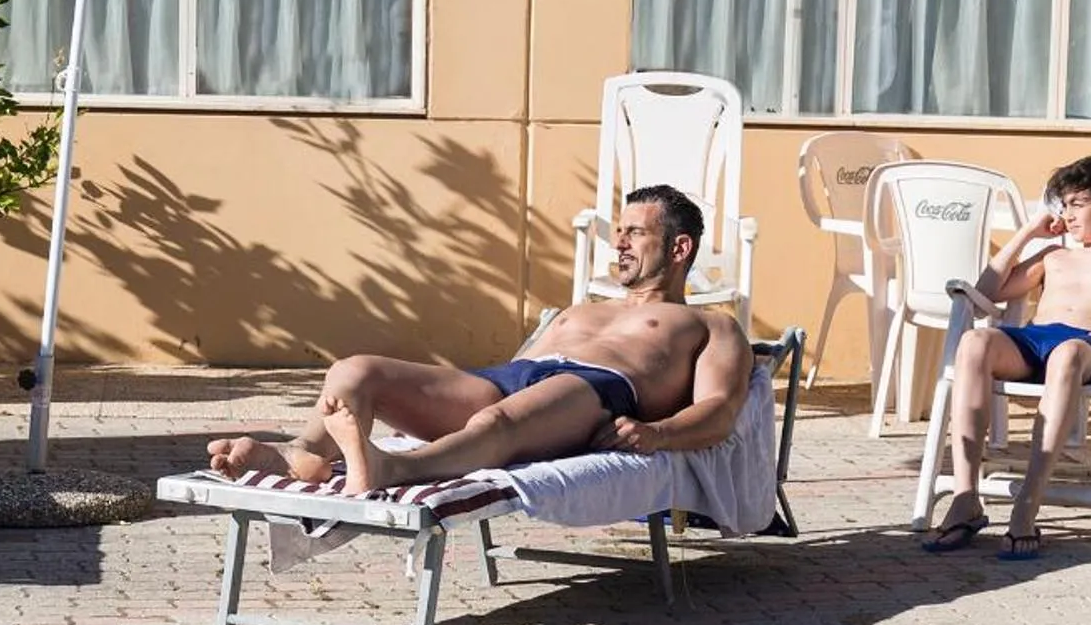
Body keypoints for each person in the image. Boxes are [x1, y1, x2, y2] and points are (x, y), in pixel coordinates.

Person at [206, 186, 753, 494]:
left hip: (596, 391)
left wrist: (656, 433)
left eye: (635, 233)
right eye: (619, 231)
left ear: (679, 250)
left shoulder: (711, 326)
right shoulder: (581, 308)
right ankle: (303, 453)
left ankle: (393, 468)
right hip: (509, 380)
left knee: (494, 425)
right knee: (355, 371)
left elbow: (720, 410)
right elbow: (511, 380)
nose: (619, 243)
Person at [920, 155, 1091, 562]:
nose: (1068, 214)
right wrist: (1027, 233)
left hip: (1090, 347)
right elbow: (985, 294)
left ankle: (1028, 503)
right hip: (1035, 341)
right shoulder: (1054, 255)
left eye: (1078, 204)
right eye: (1064, 205)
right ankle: (965, 496)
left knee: (1066, 355)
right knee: (974, 343)